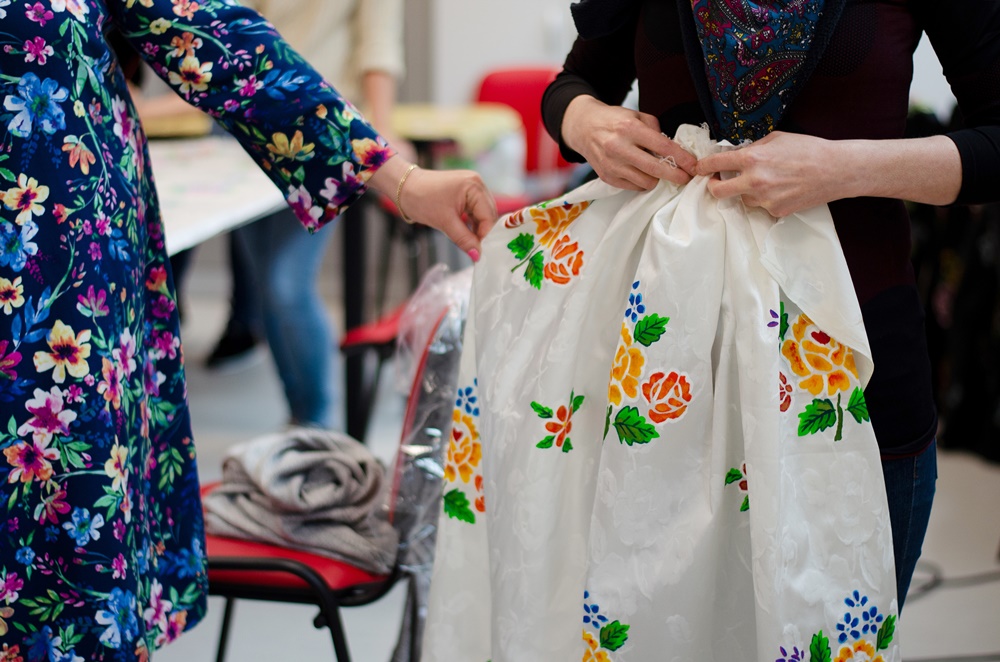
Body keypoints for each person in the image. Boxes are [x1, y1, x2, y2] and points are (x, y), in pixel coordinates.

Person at [422, 1, 1000, 660]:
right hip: (661, 379)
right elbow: (575, 86)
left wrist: (843, 169)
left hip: (856, 378)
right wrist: (586, 124)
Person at [0, 1, 494, 659]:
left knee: (62, 553)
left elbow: (211, 37)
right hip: (60, 259)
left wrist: (395, 177)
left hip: (57, 287)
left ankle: (313, 425)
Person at [205, 0, 414, 429]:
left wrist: (383, 127)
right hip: (242, 122)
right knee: (265, 288)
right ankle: (300, 419)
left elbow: (379, 43)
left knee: (286, 284)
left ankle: (317, 423)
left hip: (314, 125)